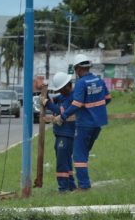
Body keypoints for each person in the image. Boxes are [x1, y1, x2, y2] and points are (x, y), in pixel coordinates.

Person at [60, 54, 110, 190]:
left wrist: (63, 116)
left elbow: (77, 103)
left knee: (79, 155)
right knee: (84, 152)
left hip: (84, 124)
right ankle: (83, 183)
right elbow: (108, 98)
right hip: (98, 124)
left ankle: (84, 186)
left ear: (78, 69)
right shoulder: (98, 80)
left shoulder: (81, 83)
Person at [45, 72, 76, 193]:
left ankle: (63, 188)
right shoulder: (64, 96)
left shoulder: (72, 97)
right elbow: (53, 99)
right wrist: (45, 93)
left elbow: (59, 111)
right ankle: (70, 185)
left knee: (62, 162)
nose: (60, 91)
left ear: (68, 86)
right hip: (60, 133)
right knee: (66, 161)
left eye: (61, 89)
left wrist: (48, 104)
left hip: (67, 134)